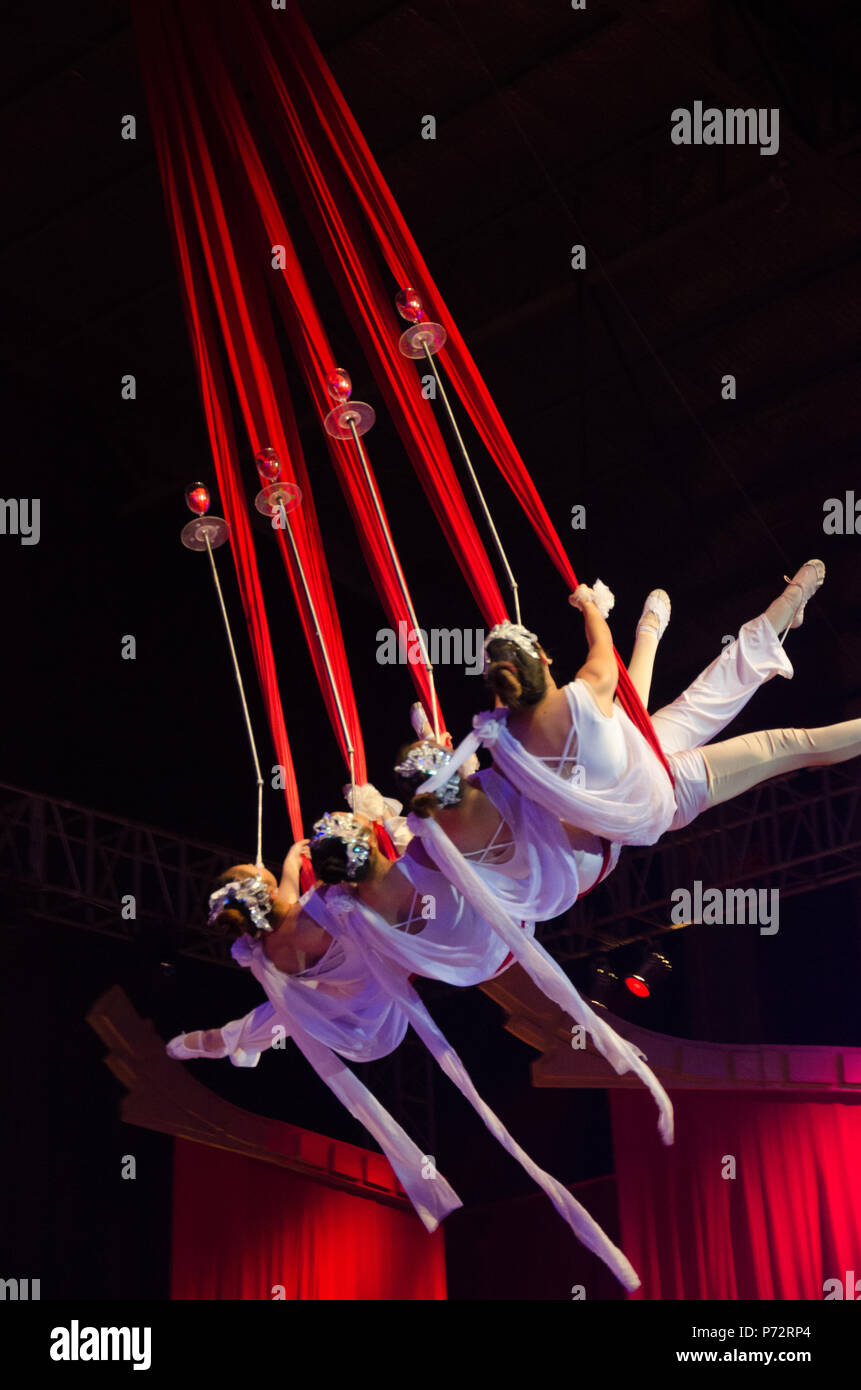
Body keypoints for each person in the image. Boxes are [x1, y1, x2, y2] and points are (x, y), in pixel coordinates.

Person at [165, 821, 647, 1288]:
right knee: (295, 1002)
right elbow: (322, 894)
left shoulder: (265, 950)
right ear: (264, 894)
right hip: (374, 1003)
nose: (271, 871)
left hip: (341, 1012)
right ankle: (227, 1044)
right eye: (263, 874)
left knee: (276, 1015)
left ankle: (217, 1044)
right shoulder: (321, 909)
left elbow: (284, 900)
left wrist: (293, 861)